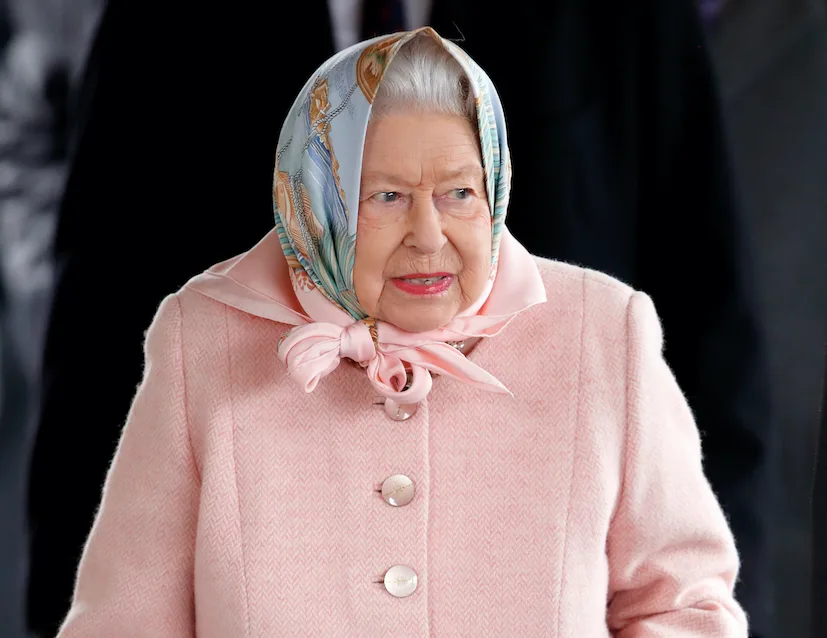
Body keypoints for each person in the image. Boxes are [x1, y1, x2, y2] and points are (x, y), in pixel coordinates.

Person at [28, 1, 771, 636]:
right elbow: (97, 320)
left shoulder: (605, 331)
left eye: (457, 192)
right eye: (379, 195)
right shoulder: (200, 340)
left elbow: (684, 597)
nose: (426, 235)